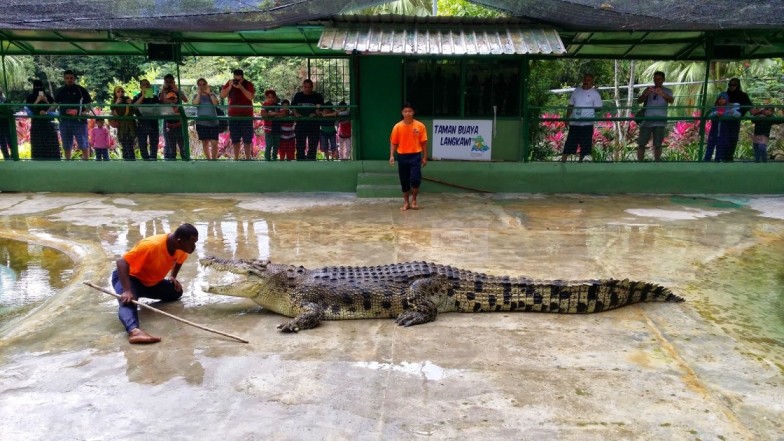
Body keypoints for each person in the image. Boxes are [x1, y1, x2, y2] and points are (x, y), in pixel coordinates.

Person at [111, 223, 199, 344]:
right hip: (130, 278)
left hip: (151, 282)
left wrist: (173, 276)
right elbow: (121, 262)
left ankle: (137, 294)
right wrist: (127, 290)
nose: (194, 247)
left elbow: (179, 261)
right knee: (127, 301)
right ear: (179, 241)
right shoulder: (151, 245)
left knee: (176, 292)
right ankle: (134, 331)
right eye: (192, 243)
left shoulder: (181, 249)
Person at [389, 102, 428, 211]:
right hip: (402, 156)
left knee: (415, 179)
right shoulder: (397, 127)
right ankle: (406, 202)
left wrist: (425, 157)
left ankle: (414, 200)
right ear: (402, 113)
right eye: (405, 111)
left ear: (413, 112)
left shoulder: (420, 126)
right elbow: (393, 142)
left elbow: (424, 143)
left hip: (415, 156)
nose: (407, 113)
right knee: (404, 180)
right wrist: (391, 155)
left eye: (409, 111)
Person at [561, 73, 603, 162]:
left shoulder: (595, 94)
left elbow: (598, 108)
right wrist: (567, 118)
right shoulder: (576, 91)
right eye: (585, 79)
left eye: (588, 80)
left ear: (592, 82)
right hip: (574, 123)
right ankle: (562, 162)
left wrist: (588, 112)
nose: (586, 82)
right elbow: (570, 105)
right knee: (570, 143)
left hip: (587, 124)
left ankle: (580, 162)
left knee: (585, 145)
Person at [53, 69, 93, 160]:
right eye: (67, 78)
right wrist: (46, 112)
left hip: (79, 121)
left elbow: (89, 104)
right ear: (64, 79)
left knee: (83, 143)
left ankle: (86, 162)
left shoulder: (81, 90)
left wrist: (85, 112)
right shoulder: (60, 91)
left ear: (74, 79)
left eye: (71, 78)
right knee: (66, 145)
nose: (69, 80)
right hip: (64, 121)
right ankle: (67, 162)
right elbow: (55, 104)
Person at [636, 71, 674, 161]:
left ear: (663, 80)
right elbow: (639, 101)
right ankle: (639, 163)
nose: (657, 81)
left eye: (659, 79)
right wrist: (646, 94)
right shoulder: (648, 89)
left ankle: (657, 163)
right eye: (655, 79)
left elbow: (671, 101)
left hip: (660, 121)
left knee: (658, 144)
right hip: (647, 120)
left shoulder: (668, 91)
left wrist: (662, 94)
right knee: (641, 143)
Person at [220, 69, 256, 160]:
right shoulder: (230, 83)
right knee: (235, 139)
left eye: (239, 80)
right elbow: (222, 95)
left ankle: (248, 158)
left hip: (246, 116)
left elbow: (250, 97)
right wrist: (230, 87)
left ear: (242, 77)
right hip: (233, 116)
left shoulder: (248, 84)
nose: (237, 81)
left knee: (247, 139)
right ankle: (236, 158)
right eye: (235, 79)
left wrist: (241, 87)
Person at [25, 80, 60, 160]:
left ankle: (53, 159)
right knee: (37, 143)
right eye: (36, 87)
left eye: (40, 87)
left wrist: (46, 101)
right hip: (36, 124)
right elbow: (29, 109)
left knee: (50, 143)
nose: (38, 88)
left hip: (49, 124)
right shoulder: (30, 97)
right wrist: (37, 100)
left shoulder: (49, 97)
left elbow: (53, 109)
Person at [290, 78, 324, 160]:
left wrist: (316, 113)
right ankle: (300, 161)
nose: (307, 89)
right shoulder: (298, 95)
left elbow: (321, 109)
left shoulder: (317, 96)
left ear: (312, 87)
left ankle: (311, 161)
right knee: (300, 145)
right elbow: (293, 107)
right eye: (306, 87)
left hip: (314, 124)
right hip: (301, 124)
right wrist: (296, 113)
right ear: (303, 87)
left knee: (313, 145)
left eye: (309, 87)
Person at [704, 92, 741, 162]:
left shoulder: (729, 108)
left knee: (720, 147)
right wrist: (716, 113)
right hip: (714, 131)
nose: (721, 100)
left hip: (723, 132)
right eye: (720, 99)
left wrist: (733, 112)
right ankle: (706, 160)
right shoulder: (715, 108)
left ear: (726, 100)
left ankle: (717, 161)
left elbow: (738, 115)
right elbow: (709, 116)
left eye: (723, 99)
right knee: (710, 146)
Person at [724, 78, 753, 161]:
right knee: (725, 137)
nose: (731, 86)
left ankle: (729, 156)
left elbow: (749, 106)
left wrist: (740, 112)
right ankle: (723, 155)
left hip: (735, 119)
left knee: (733, 137)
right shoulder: (725, 95)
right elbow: (718, 103)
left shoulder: (743, 95)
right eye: (730, 85)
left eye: (734, 85)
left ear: (738, 85)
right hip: (725, 119)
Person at [132, 79, 161, 160]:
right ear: (141, 87)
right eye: (144, 85)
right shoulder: (137, 97)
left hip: (153, 123)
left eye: (148, 84)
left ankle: (153, 158)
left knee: (154, 143)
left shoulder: (154, 97)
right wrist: (143, 96)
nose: (146, 86)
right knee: (142, 143)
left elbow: (159, 107)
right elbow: (134, 107)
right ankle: (145, 159)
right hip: (142, 123)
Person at [192, 78, 220, 160]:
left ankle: (214, 160)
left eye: (204, 84)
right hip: (201, 123)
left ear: (207, 85)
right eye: (200, 85)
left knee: (214, 142)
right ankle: (209, 159)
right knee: (205, 142)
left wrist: (209, 93)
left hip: (213, 123)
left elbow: (215, 103)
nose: (202, 86)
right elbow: (195, 104)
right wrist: (199, 94)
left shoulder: (212, 95)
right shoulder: (196, 96)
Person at [110, 86, 137, 161]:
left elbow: (135, 110)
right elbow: (111, 108)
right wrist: (116, 103)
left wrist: (131, 104)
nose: (120, 93)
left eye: (122, 92)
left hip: (130, 126)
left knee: (130, 146)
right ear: (115, 93)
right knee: (124, 146)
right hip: (121, 127)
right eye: (118, 92)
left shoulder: (127, 99)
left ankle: (132, 161)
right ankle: (125, 161)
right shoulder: (114, 101)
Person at [260, 89, 282, 161]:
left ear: (275, 97)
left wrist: (273, 113)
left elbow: (284, 113)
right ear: (266, 97)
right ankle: (267, 158)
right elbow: (263, 114)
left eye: (272, 97)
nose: (270, 99)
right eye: (269, 97)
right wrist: (269, 114)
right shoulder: (264, 105)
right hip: (268, 129)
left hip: (277, 128)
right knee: (269, 145)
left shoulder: (278, 106)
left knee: (276, 145)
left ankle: (274, 157)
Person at [163, 92, 185, 160]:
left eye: (173, 98)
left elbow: (183, 115)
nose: (172, 100)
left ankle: (185, 159)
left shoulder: (179, 106)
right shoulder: (165, 107)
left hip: (179, 128)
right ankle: (172, 159)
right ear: (167, 100)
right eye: (170, 99)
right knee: (171, 147)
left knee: (182, 146)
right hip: (170, 129)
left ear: (176, 99)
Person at [0, 89, 12, 160]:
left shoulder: (6, 100)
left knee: (9, 138)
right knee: (2, 140)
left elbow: (9, 110)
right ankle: (6, 156)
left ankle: (13, 155)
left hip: (6, 122)